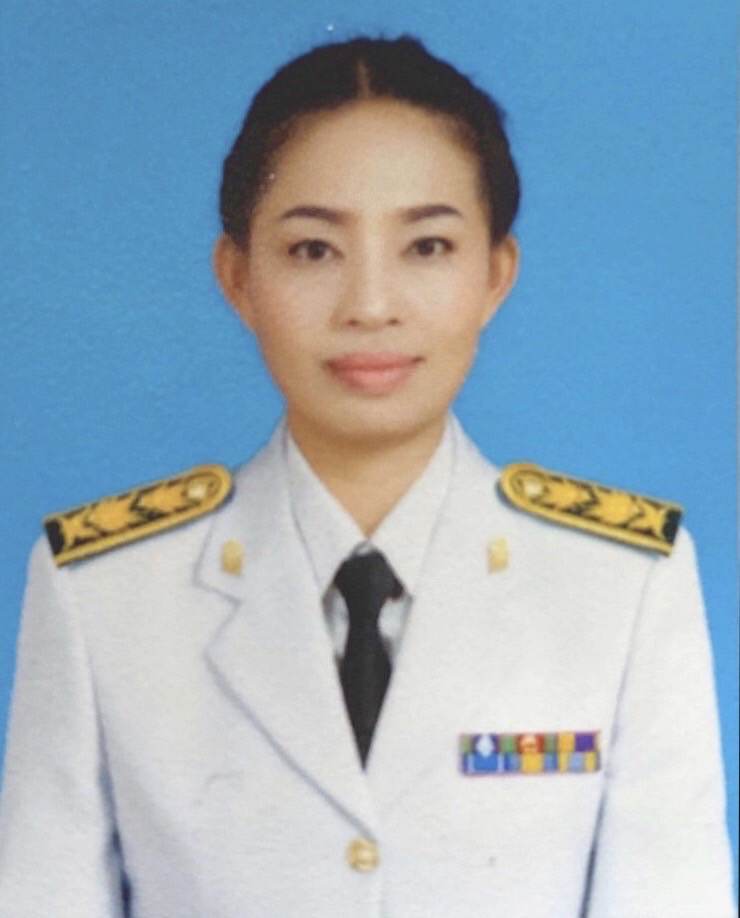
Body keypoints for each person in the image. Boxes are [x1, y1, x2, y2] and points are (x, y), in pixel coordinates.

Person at [0, 35, 734, 918]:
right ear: (238, 278)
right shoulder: (105, 593)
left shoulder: (620, 586)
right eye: (314, 250)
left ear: (495, 275)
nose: (371, 306)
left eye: (427, 247)